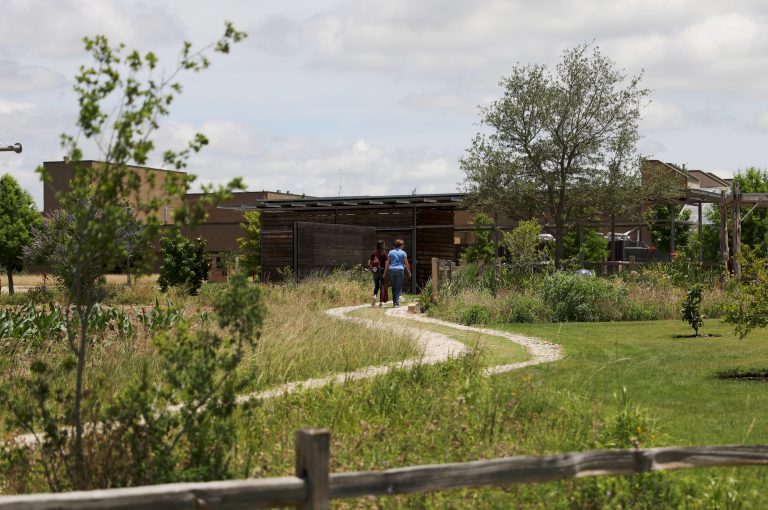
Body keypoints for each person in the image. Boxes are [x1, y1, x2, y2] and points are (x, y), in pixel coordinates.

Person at [384, 239, 411, 308]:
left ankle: (395, 302)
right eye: (403, 245)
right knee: (398, 287)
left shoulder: (390, 252)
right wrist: (409, 271)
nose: (403, 246)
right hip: (400, 270)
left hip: (391, 270)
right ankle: (396, 303)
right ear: (401, 245)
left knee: (394, 286)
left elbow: (387, 262)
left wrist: (385, 272)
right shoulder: (403, 253)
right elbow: (406, 263)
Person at [369, 240, 388, 306]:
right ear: (382, 245)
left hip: (375, 271)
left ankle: (374, 296)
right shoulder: (384, 253)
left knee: (376, 286)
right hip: (382, 270)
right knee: (382, 286)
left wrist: (373, 268)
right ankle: (381, 302)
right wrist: (385, 272)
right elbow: (386, 263)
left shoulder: (373, 252)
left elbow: (369, 263)